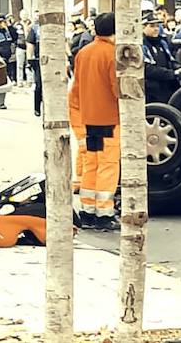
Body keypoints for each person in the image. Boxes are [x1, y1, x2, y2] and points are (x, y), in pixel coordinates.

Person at [68, 13, 122, 231]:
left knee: (92, 164)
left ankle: (87, 209)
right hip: (110, 118)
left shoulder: (84, 52)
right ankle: (104, 211)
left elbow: (77, 86)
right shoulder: (112, 54)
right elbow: (116, 88)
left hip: (89, 119)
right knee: (108, 165)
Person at [142, 12, 181, 104]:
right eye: (152, 26)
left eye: (157, 26)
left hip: (167, 87)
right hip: (151, 91)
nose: (156, 29)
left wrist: (179, 69)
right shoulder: (142, 45)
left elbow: (171, 60)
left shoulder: (162, 43)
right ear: (143, 27)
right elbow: (147, 69)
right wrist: (171, 73)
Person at [27, 16, 42, 117]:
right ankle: (37, 108)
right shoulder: (35, 28)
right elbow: (30, 44)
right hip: (39, 59)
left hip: (55, 59)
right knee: (39, 85)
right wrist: (29, 59)